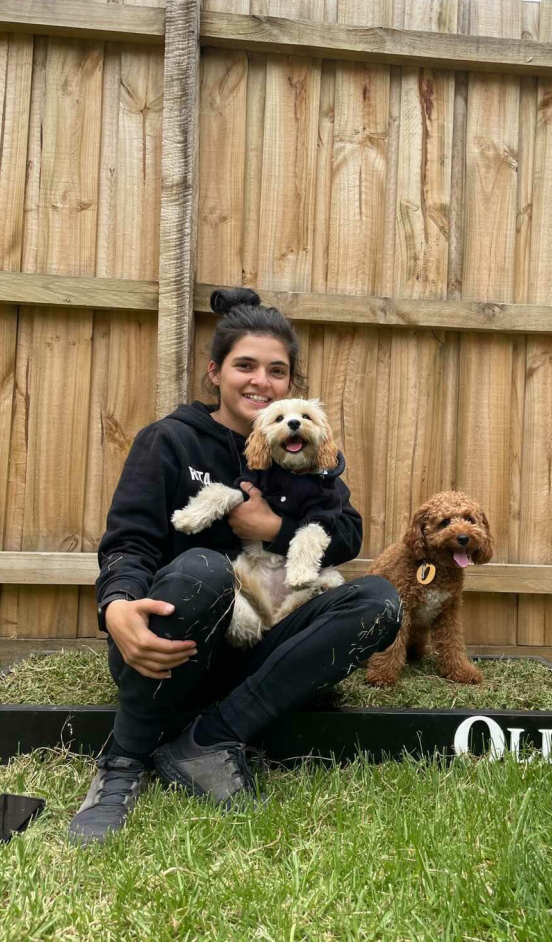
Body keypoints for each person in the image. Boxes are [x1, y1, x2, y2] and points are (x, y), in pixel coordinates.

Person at [69, 288, 402, 846]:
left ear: (290, 387)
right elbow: (128, 541)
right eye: (244, 365)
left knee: (377, 600)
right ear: (214, 372)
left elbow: (345, 533)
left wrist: (271, 529)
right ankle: (124, 761)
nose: (260, 381)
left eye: (277, 371)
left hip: (264, 648)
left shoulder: (303, 453)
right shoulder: (169, 441)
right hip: (180, 647)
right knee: (204, 566)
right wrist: (118, 605)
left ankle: (212, 739)